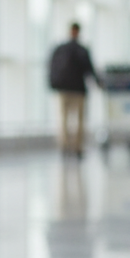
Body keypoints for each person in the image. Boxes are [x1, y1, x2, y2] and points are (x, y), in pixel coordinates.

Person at [48, 22, 100, 159]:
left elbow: (51, 67)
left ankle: (64, 146)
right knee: (79, 120)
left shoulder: (60, 49)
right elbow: (89, 69)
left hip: (63, 89)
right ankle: (77, 147)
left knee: (63, 119)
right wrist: (98, 82)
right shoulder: (82, 50)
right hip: (78, 89)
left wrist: (53, 84)